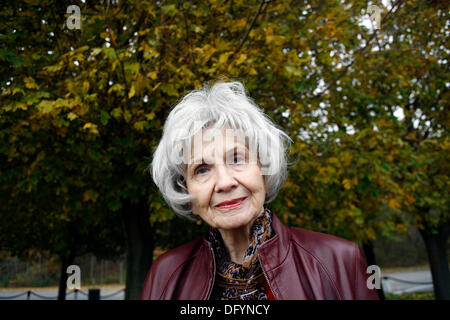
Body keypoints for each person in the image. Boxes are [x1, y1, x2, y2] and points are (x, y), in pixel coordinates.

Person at [141, 80, 379, 300]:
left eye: (236, 159)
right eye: (202, 170)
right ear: (187, 192)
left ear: (263, 169)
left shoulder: (338, 260)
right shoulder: (166, 275)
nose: (225, 182)